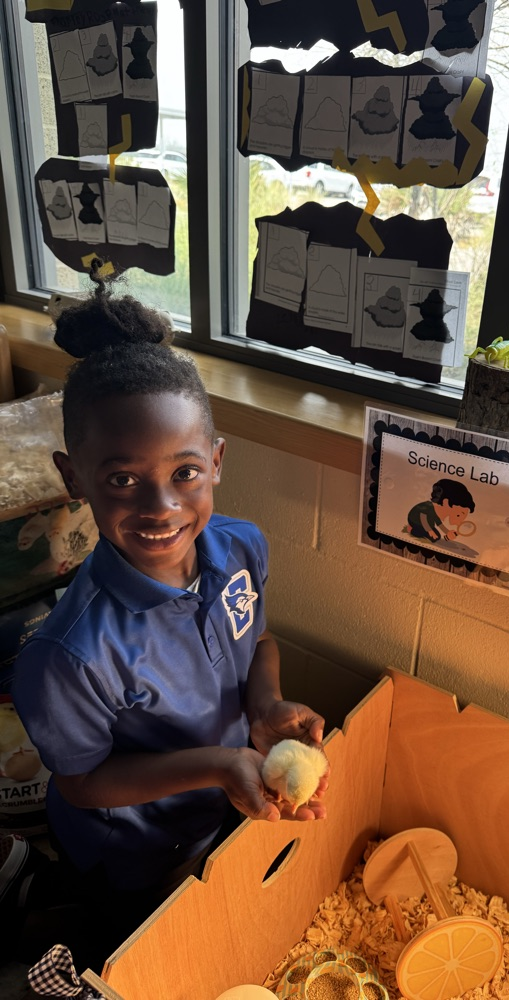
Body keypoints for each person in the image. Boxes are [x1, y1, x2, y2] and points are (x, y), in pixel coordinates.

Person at [2, 267, 327, 969]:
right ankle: (41, 903)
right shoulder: (68, 654)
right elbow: (83, 782)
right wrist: (217, 764)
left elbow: (258, 643)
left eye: (185, 472)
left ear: (216, 462)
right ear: (74, 477)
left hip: (221, 805)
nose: (161, 506)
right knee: (135, 947)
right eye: (122, 480)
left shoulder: (241, 547)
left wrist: (265, 708)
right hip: (129, 850)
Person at [406, 478, 475, 541]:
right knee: (429, 536)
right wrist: (429, 530)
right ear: (446, 502)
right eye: (458, 515)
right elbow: (423, 518)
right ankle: (411, 529)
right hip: (415, 520)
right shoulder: (428, 506)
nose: (459, 522)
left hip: (428, 524)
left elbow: (440, 524)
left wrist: (447, 532)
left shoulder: (437, 512)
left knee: (437, 537)